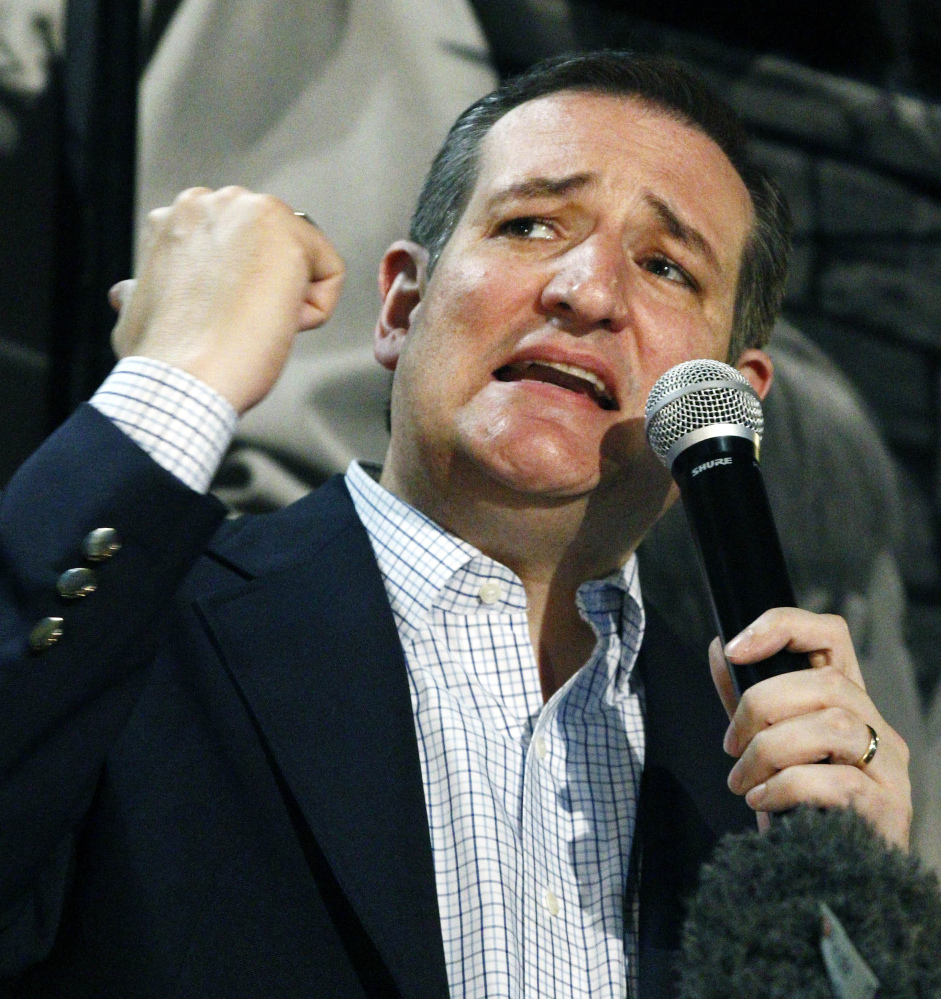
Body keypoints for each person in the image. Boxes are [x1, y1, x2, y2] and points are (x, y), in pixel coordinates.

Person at [0, 52, 912, 998]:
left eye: (664, 266)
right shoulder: (139, 629)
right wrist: (179, 377)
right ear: (400, 306)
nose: (587, 291)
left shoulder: (752, 786)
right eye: (529, 224)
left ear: (732, 396)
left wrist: (858, 934)